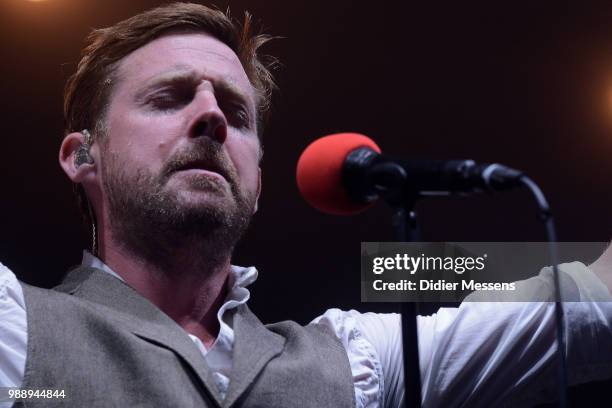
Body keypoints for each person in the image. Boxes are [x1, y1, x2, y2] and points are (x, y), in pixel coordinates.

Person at [1, 2, 612, 407]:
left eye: (236, 114)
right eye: (169, 98)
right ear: (84, 157)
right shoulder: (16, 330)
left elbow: (587, 302)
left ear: (257, 183)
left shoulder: (354, 359)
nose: (212, 116)